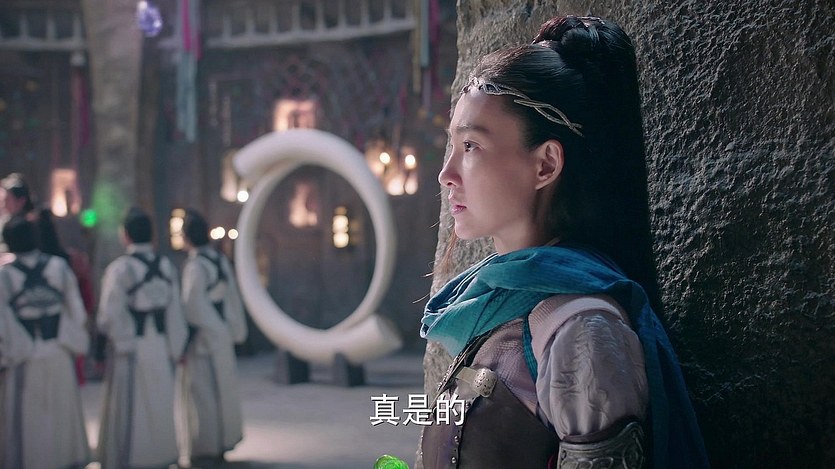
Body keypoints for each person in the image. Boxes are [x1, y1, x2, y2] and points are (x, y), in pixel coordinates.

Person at [419, 15, 708, 468]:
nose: (446, 174)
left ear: (546, 165)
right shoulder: (503, 305)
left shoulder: (582, 329)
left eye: (471, 146)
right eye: (451, 146)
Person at [96, 206, 188, 468]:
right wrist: (176, 347)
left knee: (132, 408)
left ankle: (134, 460)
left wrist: (120, 342)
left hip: (131, 348)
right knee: (159, 403)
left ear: (125, 235)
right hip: (159, 345)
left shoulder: (120, 269)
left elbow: (109, 313)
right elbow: (175, 311)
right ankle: (160, 456)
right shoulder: (166, 266)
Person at [0, 216, 91, 468]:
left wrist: (11, 349)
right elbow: (77, 312)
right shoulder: (59, 267)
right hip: (58, 350)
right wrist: (70, 338)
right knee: (60, 415)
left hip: (23, 355)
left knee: (28, 424)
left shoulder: (5, 276)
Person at [176, 208, 247, 464]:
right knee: (221, 392)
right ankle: (222, 442)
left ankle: (205, 447)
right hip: (221, 335)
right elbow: (231, 299)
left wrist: (184, 342)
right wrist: (231, 330)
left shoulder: (196, 266)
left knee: (202, 395)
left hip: (203, 340)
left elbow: (192, 306)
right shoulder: (219, 260)